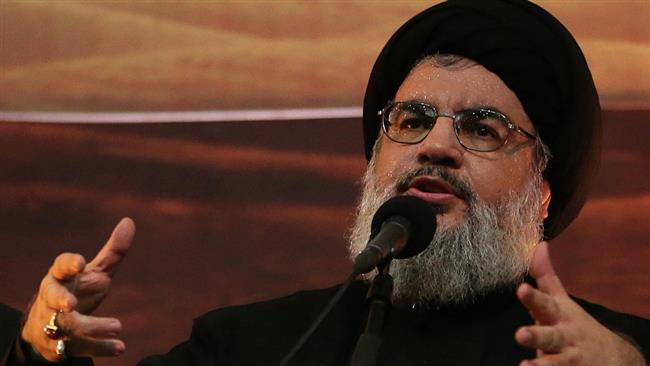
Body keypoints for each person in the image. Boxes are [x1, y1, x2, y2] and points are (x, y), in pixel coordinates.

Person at [2, 0, 649, 365]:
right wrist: (39, 349)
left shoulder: (615, 354)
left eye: (483, 128)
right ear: (374, 165)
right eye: (412, 119)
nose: (436, 146)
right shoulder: (248, 348)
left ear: (542, 194)